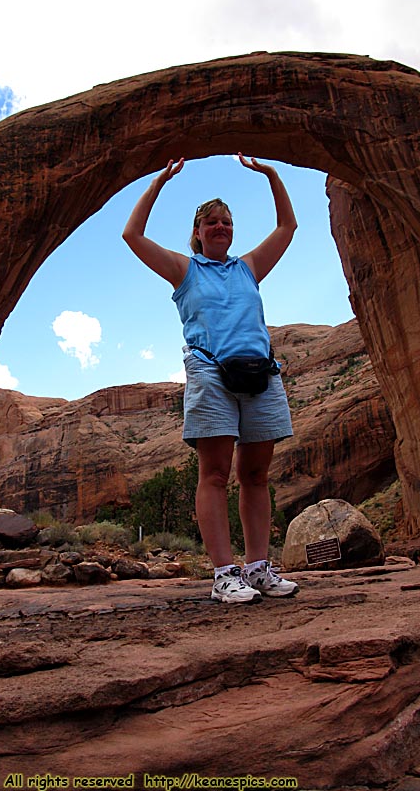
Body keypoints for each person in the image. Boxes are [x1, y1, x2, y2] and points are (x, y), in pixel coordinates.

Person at [123, 153, 299, 604]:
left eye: (226, 221)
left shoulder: (248, 268)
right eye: (211, 222)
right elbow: (132, 235)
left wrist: (272, 175)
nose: (220, 227)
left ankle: (257, 569)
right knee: (216, 474)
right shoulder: (185, 270)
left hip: (260, 373)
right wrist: (159, 180)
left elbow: (287, 229)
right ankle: (224, 574)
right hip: (210, 373)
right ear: (198, 233)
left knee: (256, 475)